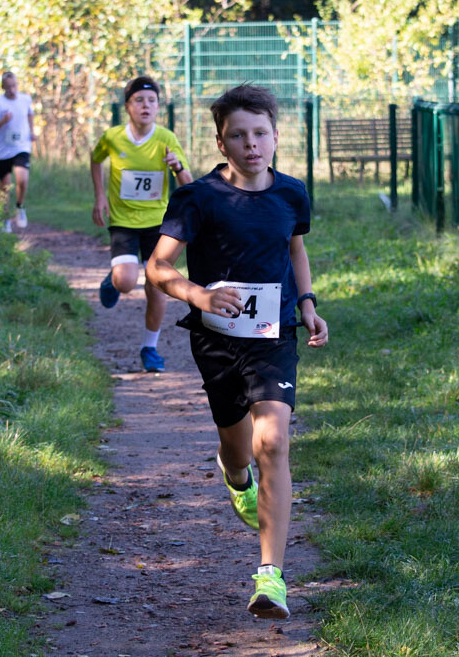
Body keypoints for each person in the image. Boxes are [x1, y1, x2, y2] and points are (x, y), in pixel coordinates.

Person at [146, 83, 329, 620]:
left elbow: (295, 249)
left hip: (275, 335)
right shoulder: (198, 197)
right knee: (238, 448)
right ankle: (235, 478)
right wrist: (199, 294)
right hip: (216, 341)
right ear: (221, 143)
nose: (252, 144)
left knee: (274, 441)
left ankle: (270, 578)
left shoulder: (292, 193)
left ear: (275, 136)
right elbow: (158, 268)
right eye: (239, 136)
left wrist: (310, 304)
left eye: (261, 133)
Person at [90, 76, 193, 373]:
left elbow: (189, 184)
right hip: (122, 221)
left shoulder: (166, 139)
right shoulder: (112, 137)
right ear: (128, 107)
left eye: (152, 101)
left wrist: (178, 167)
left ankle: (150, 348)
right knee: (125, 281)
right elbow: (95, 160)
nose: (146, 105)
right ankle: (112, 280)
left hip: (158, 225)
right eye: (139, 100)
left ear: (158, 107)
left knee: (156, 286)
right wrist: (100, 196)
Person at [0, 71, 34, 232]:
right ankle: (5, 218)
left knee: (22, 179)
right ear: (3, 87)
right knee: (5, 185)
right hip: (3, 150)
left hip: (21, 146)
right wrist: (3, 121)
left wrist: (32, 132)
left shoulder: (25, 99)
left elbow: (30, 114)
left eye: (14, 86)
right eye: (8, 87)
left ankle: (20, 207)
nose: (12, 90)